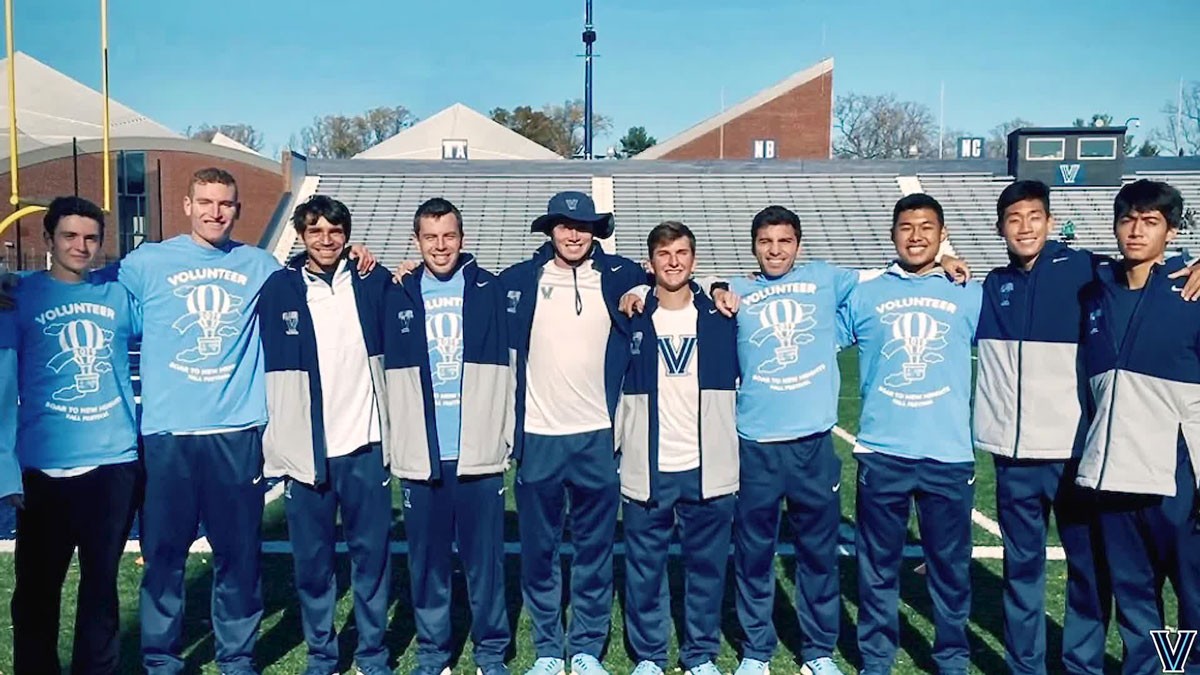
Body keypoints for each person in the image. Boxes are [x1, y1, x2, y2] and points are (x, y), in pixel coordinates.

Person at [112, 167, 375, 674]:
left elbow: (318, 269)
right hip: (169, 436)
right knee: (165, 557)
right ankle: (161, 659)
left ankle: (237, 658)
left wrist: (360, 255)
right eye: (205, 201)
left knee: (239, 557)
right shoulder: (147, 262)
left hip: (236, 433)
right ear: (187, 205)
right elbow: (92, 295)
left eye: (225, 204)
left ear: (238, 210)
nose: (215, 212)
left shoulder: (260, 266)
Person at [501, 191, 646, 675]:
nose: (573, 233)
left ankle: (585, 648)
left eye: (582, 225)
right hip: (539, 436)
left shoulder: (621, 274)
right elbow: (467, 289)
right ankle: (546, 648)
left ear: (595, 230)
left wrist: (718, 283)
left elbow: (675, 279)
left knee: (593, 549)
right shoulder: (521, 278)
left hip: (596, 438)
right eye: (564, 225)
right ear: (550, 229)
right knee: (539, 551)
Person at [837, 194, 982, 675]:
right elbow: (817, 331)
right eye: (906, 226)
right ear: (893, 233)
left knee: (950, 570)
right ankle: (877, 660)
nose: (915, 235)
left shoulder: (969, 291)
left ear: (942, 235)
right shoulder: (865, 292)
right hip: (883, 452)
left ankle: (952, 659)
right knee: (877, 569)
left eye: (926, 227)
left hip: (948, 455)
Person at [973, 180, 1112, 675]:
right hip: (1012, 460)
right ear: (1000, 228)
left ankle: (1082, 666)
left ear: (1050, 222)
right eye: (1014, 218)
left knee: (1086, 571)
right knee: (1022, 572)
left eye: (1034, 216)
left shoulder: (1086, 269)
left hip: (1072, 453)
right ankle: (1023, 667)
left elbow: (1151, 265)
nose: (1025, 226)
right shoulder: (993, 283)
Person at [256, 195, 393, 675]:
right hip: (305, 453)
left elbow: (414, 286)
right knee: (313, 567)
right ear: (300, 235)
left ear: (347, 235)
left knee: (371, 560)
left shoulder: (371, 280)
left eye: (336, 231)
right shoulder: (278, 289)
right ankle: (322, 654)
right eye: (316, 231)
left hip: (365, 448)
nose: (327, 240)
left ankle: (373, 653)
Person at [7, 196, 142, 675]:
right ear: (47, 240)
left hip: (112, 464)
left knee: (101, 591)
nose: (81, 246)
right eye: (69, 236)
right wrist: (7, 469)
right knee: (36, 595)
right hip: (44, 469)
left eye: (90, 237)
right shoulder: (18, 297)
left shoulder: (118, 297)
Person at [1075, 179, 1200, 675]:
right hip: (1114, 477)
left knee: (1192, 598)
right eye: (1128, 219)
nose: (1136, 231)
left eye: (1150, 222)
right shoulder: (1095, 292)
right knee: (1135, 602)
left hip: (1176, 478)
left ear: (1171, 232)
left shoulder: (1190, 289)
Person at [384, 197, 512, 675]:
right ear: (416, 243)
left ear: (463, 238)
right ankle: (435, 653)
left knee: (486, 567)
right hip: (423, 453)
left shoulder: (490, 289)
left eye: (449, 235)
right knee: (429, 565)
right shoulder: (394, 290)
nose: (441, 246)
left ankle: (491, 654)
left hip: (478, 453)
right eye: (431, 237)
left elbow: (513, 364)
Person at [616, 222, 738, 675]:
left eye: (682, 252)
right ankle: (650, 656)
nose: (673, 261)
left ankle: (700, 654)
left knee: (706, 571)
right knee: (645, 572)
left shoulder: (720, 316)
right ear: (650, 263)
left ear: (695, 260)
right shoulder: (631, 315)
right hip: (649, 465)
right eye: (664, 254)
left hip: (706, 465)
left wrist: (723, 289)